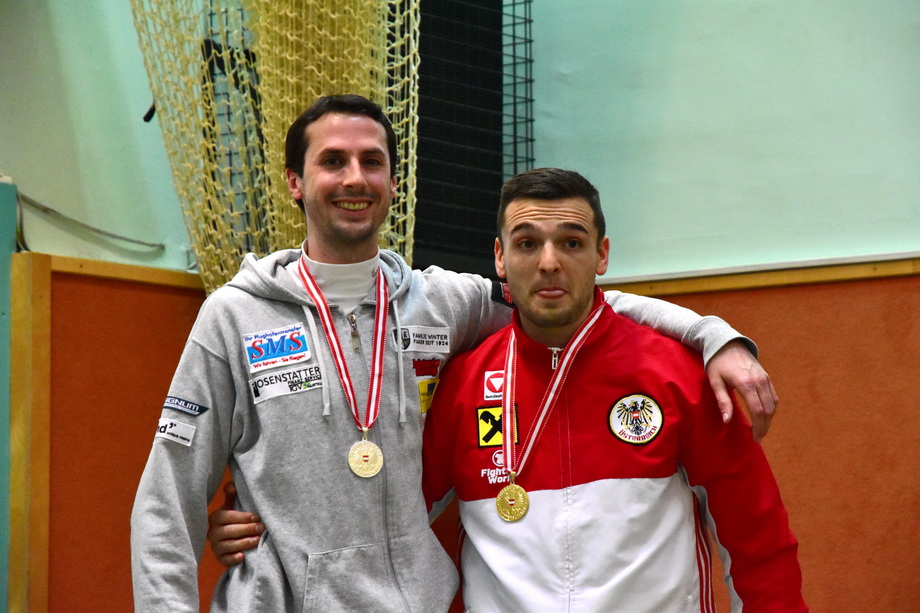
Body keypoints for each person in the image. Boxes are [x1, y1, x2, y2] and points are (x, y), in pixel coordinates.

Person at [132, 94, 777, 611]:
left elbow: (570, 304)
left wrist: (711, 335)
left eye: (372, 161)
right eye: (333, 161)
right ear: (296, 182)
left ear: (393, 182)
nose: (355, 178)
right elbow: (166, 505)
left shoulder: (440, 303)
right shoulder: (233, 316)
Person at [421, 168, 806, 611]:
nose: (549, 262)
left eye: (571, 243)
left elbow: (757, 542)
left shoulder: (677, 375)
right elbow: (391, 530)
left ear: (601, 255)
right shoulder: (461, 388)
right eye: (527, 243)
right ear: (500, 258)